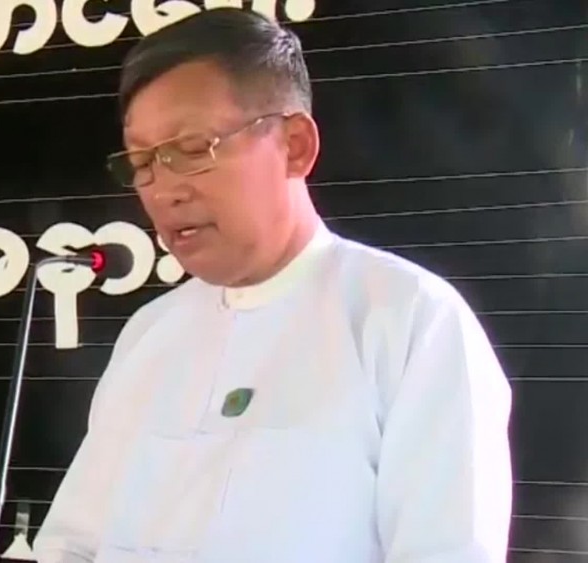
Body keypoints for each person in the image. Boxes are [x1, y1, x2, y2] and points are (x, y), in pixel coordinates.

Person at [32, 7, 513, 563]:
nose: (164, 190)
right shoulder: (150, 333)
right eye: (142, 162)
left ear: (295, 144)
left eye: (193, 149)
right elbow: (74, 541)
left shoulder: (410, 321)